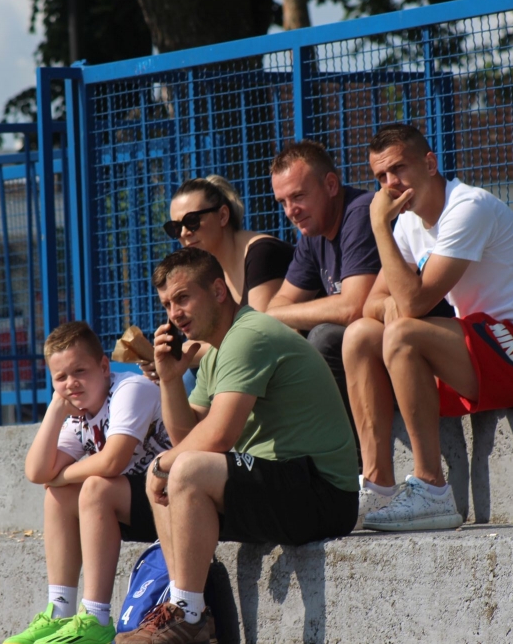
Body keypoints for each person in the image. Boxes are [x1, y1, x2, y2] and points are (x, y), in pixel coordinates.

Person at [116, 248, 358, 644]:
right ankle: (185, 608)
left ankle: (188, 614)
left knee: (180, 468)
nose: (174, 314)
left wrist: (164, 465)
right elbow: (188, 437)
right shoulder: (217, 351)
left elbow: (217, 438)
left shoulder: (249, 335)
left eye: (183, 298)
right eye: (167, 305)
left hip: (322, 492)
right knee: (174, 468)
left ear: (217, 290)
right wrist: (171, 379)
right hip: (283, 484)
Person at [345, 123, 513, 532]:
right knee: (359, 336)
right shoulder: (409, 224)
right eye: (380, 176)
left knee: (402, 333)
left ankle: (431, 489)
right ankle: (377, 487)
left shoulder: (468, 208)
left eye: (398, 169)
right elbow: (372, 304)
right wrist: (395, 305)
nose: (390, 184)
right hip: (484, 346)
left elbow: (413, 303)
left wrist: (378, 226)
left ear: (430, 164)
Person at [6, 321, 170, 644]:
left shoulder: (130, 390)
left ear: (104, 367)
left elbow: (112, 461)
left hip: (174, 502)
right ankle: (60, 612)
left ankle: (96, 618)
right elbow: (36, 472)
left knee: (94, 486)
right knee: (59, 495)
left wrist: (61, 475)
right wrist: (56, 409)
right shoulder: (78, 413)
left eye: (79, 371)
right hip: (137, 504)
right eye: (61, 377)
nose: (71, 383)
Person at [265, 140, 385, 417]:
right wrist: (282, 319)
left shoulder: (361, 212)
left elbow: (353, 307)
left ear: (331, 185)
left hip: (401, 349)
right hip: (364, 355)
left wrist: (280, 317)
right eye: (282, 202)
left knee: (324, 337)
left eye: (298, 196)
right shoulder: (312, 232)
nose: (290, 211)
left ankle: (345, 445)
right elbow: (279, 303)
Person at [164, 175, 293, 312]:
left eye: (192, 221)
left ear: (223, 216)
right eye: (175, 227)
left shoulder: (262, 254)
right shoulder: (207, 272)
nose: (184, 233)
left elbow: (261, 325)